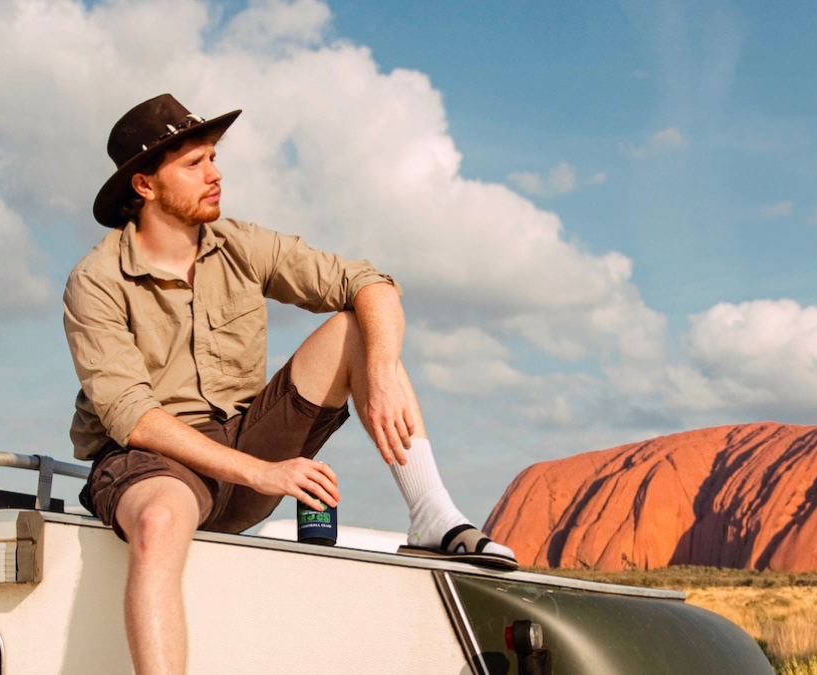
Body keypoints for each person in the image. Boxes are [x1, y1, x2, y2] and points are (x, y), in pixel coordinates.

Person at [64, 93, 514, 675]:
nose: (215, 173)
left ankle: (432, 514)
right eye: (194, 163)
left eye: (213, 158)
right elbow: (134, 417)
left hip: (247, 441)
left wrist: (380, 368)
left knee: (357, 327)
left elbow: (368, 281)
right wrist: (262, 473)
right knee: (158, 521)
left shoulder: (242, 245)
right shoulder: (96, 280)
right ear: (145, 185)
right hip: (154, 462)